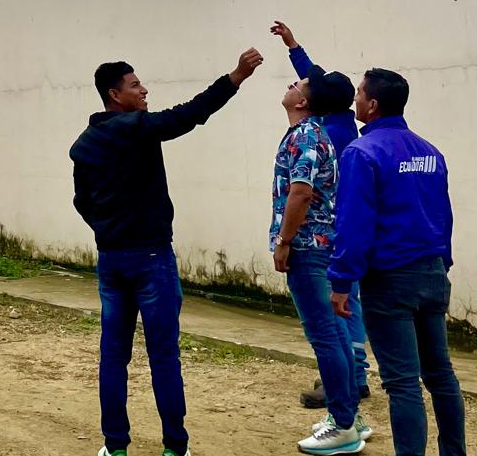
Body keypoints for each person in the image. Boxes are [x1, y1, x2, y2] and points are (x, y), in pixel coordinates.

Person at [71, 46, 263, 456]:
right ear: (114, 94)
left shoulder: (83, 145)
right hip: (151, 258)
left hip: (112, 260)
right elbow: (188, 114)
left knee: (113, 357)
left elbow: (81, 202)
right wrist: (234, 78)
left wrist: (108, 231)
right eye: (135, 85)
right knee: (163, 357)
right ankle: (175, 447)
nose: (144, 90)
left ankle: (115, 447)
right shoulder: (137, 127)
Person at [329, 69, 465, 456]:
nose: (355, 99)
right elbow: (443, 214)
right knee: (441, 375)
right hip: (432, 272)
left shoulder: (361, 153)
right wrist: (442, 263)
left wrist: (341, 281)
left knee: (403, 382)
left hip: (389, 280)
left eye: (359, 93)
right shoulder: (429, 151)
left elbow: (353, 223)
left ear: (372, 105)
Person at [269, 59, 369, 453]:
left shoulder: (306, 136)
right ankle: (349, 418)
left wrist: (284, 240)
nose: (292, 84)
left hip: (308, 248)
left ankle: (342, 424)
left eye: (299, 83)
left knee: (325, 336)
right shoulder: (310, 133)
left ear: (304, 101)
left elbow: (301, 192)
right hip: (320, 245)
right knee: (336, 335)